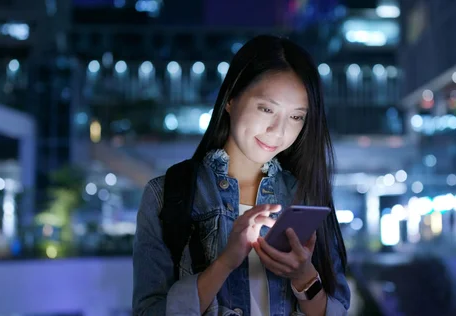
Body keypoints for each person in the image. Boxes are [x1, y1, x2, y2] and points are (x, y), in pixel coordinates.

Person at [132, 35, 350, 316]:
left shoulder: (305, 195)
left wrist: (304, 277)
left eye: (296, 117)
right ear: (231, 99)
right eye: (266, 109)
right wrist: (224, 263)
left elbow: (337, 309)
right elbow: (149, 311)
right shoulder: (168, 194)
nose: (278, 131)